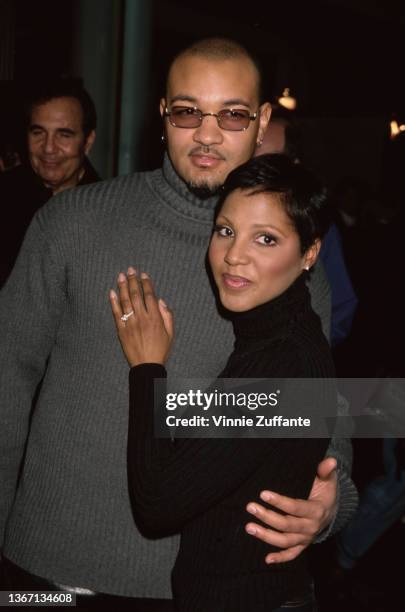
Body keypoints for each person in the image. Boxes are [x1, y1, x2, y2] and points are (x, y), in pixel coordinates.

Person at [0, 38, 356, 608]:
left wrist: (334, 498)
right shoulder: (70, 221)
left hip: (208, 586)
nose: (208, 134)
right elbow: (6, 383)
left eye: (233, 114)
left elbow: (317, 401)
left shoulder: (284, 258)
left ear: (262, 120)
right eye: (188, 111)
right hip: (52, 576)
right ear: (163, 115)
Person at [110, 153, 336, 611]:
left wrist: (148, 367)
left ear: (309, 253)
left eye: (266, 239)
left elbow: (155, 505)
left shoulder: (280, 363)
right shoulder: (278, 335)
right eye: (226, 231)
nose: (234, 255)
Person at [256, 110, 358, 347]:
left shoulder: (315, 226)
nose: (254, 172)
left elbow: (340, 308)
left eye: (267, 162)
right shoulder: (220, 216)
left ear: (294, 166)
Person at [0, 78, 99, 287]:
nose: (48, 148)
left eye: (64, 135)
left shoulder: (108, 210)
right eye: (38, 133)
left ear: (87, 142)